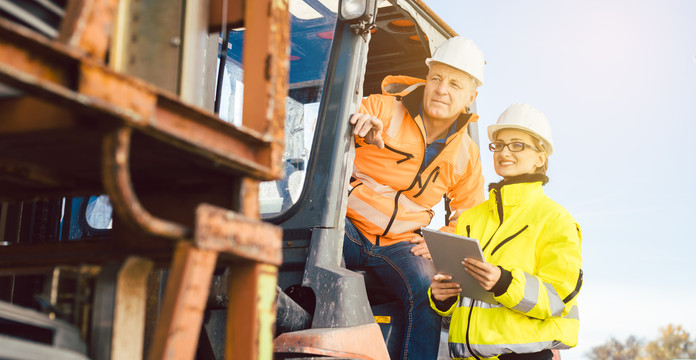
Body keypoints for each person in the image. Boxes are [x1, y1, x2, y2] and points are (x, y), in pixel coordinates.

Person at [343, 36, 486, 359]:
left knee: (428, 291)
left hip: (400, 245)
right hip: (347, 228)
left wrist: (445, 239)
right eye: (436, 78)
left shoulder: (467, 154)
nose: (441, 89)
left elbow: (472, 213)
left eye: (454, 83)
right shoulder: (381, 108)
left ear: (471, 95)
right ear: (427, 77)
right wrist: (357, 131)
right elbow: (333, 127)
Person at [429, 103, 583, 360]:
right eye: (499, 145)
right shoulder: (470, 218)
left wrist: (505, 282)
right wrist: (442, 298)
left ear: (540, 157)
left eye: (517, 145)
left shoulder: (556, 220)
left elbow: (558, 298)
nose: (504, 152)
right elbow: (466, 301)